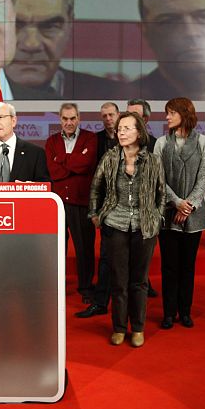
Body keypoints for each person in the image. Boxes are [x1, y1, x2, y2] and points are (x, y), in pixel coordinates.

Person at [88, 111, 165, 348]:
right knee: (119, 280)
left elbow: (161, 193)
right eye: (119, 128)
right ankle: (119, 327)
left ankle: (138, 327)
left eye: (126, 128)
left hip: (144, 226)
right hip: (116, 224)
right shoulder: (110, 158)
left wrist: (158, 217)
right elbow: (95, 188)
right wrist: (94, 214)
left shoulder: (153, 160)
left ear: (139, 132)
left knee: (139, 281)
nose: (121, 132)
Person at [6, 0, 129, 100]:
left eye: (50, 26)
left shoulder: (119, 98)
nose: (31, 44)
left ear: (70, 25)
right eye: (14, 25)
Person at [154, 97, 205, 329]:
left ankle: (185, 311)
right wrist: (177, 202)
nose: (167, 117)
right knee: (169, 266)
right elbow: (158, 178)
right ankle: (169, 313)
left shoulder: (203, 142)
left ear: (184, 113)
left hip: (194, 215)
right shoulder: (160, 143)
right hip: (168, 213)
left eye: (171, 113)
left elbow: (204, 176)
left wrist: (190, 205)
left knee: (188, 266)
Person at [46, 103, 98, 301]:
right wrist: (73, 161)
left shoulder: (90, 138)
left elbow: (85, 165)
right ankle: (56, 287)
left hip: (81, 202)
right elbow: (53, 170)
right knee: (57, 247)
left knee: (84, 247)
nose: (69, 122)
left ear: (79, 119)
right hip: (57, 204)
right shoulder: (51, 141)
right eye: (65, 119)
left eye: (72, 118)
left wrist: (62, 160)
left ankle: (85, 288)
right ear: (60, 119)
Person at [136, 0, 205, 101]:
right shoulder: (125, 100)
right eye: (169, 21)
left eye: (204, 17)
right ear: (145, 32)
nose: (191, 33)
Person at [76, 101, 121, 317]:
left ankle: (127, 308)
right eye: (104, 116)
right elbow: (94, 177)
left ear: (118, 114)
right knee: (104, 257)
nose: (108, 119)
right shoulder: (97, 140)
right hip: (106, 208)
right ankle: (101, 302)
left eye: (111, 114)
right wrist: (95, 210)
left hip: (130, 209)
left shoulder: (136, 140)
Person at [126, 98, 158, 298]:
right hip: (123, 208)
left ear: (145, 119)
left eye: (135, 115)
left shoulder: (156, 145)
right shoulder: (119, 144)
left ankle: (143, 282)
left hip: (147, 209)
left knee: (143, 252)